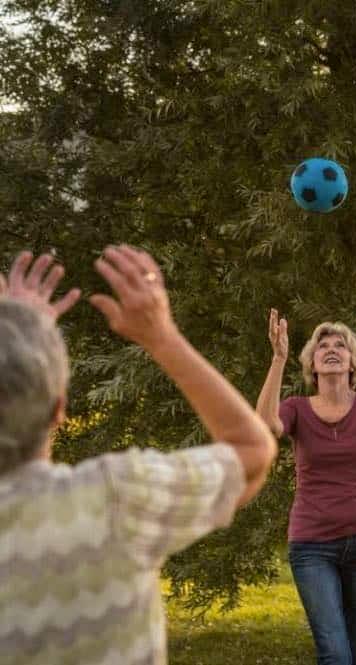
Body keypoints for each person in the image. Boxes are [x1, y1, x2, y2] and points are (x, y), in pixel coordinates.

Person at [0, 246, 277, 665]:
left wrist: (17, 335)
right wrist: (161, 336)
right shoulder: (116, 498)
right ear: (59, 408)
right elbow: (252, 450)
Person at [255, 306, 356, 665]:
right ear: (312, 363)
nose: (332, 349)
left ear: (353, 363)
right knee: (334, 653)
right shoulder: (296, 408)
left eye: (341, 345)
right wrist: (278, 360)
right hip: (312, 545)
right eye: (323, 346)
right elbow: (264, 425)